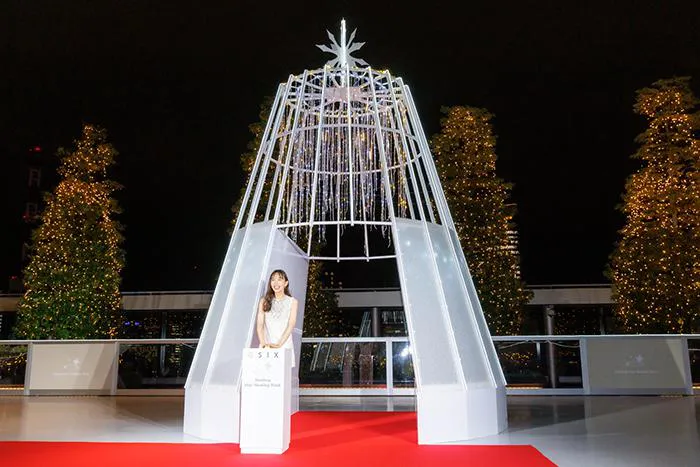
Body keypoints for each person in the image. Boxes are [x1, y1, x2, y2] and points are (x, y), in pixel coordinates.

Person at [256, 269, 298, 368]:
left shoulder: (292, 302)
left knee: (282, 380)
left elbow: (291, 324)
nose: (276, 283)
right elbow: (260, 324)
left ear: (286, 283)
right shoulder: (264, 301)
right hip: (266, 346)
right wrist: (263, 344)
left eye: (279, 279)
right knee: (265, 380)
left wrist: (279, 344)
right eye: (273, 280)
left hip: (284, 345)